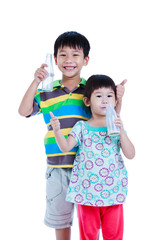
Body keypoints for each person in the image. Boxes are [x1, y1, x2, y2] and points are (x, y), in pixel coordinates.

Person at [18, 31, 126, 240]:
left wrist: (118, 101)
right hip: (59, 166)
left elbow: (109, 122)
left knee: (92, 223)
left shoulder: (92, 91)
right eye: (63, 54)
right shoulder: (47, 92)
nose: (69, 60)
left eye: (75, 55)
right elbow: (23, 111)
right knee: (61, 220)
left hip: (90, 168)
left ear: (85, 60)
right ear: (55, 59)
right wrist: (35, 82)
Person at [50, 74, 135, 240]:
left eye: (110, 96)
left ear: (116, 101)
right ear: (87, 101)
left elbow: (131, 154)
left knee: (114, 235)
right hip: (86, 194)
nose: (105, 100)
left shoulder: (115, 126)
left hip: (113, 193)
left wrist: (122, 130)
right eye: (99, 96)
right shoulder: (82, 127)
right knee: (88, 235)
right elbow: (65, 147)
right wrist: (57, 131)